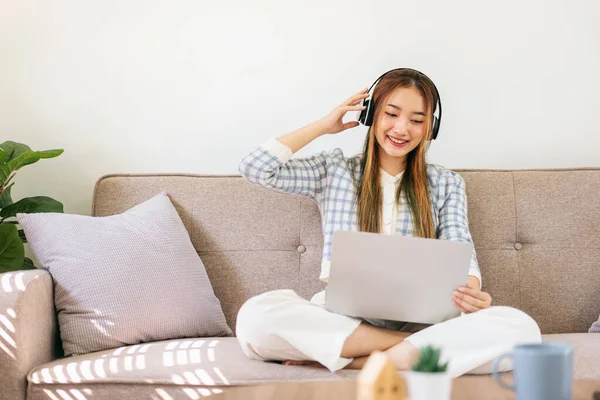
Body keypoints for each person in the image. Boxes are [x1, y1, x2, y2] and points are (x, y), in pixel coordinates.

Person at [235, 68, 541, 377]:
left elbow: (462, 248)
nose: (401, 128)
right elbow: (256, 168)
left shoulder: (446, 183)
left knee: (521, 329)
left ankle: (361, 360)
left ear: (429, 129)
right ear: (370, 114)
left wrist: (470, 291)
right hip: (342, 319)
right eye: (390, 114)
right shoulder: (334, 170)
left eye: (417, 120)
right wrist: (324, 126)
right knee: (255, 318)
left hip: (424, 321)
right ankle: (413, 349)